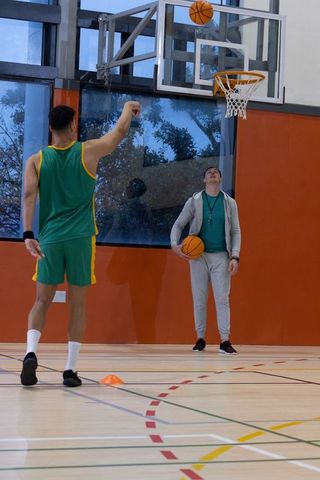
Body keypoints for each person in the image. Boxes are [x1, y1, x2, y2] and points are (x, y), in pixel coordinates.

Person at [21, 100, 141, 387]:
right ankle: (70, 370)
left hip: (49, 238)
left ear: (51, 127)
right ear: (73, 126)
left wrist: (28, 235)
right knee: (77, 305)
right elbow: (119, 134)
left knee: (41, 301)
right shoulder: (87, 151)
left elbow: (27, 196)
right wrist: (127, 108)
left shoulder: (36, 160)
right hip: (80, 238)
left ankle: (30, 353)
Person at [170, 166, 241, 354]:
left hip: (221, 257)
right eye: (209, 172)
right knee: (199, 299)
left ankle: (225, 341)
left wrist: (235, 256)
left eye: (216, 172)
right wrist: (174, 245)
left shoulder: (229, 203)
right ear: (204, 179)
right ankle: (200, 338)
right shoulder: (194, 201)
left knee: (222, 299)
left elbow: (235, 231)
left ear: (220, 178)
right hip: (198, 257)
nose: (212, 173)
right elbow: (178, 225)